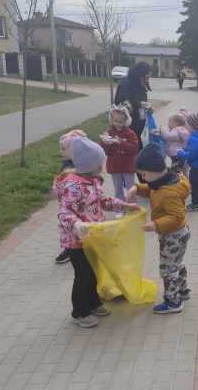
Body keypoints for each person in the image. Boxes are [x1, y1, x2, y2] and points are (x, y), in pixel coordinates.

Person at [58, 136, 139, 328]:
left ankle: (93, 302)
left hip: (93, 237)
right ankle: (79, 312)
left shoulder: (93, 181)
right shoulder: (73, 186)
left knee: (94, 271)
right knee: (83, 275)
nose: (102, 167)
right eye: (99, 163)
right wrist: (77, 224)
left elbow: (104, 201)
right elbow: (64, 212)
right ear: (89, 166)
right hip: (77, 241)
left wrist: (124, 205)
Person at [127, 143, 191, 315]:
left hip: (172, 236)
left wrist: (157, 224)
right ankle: (183, 291)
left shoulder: (168, 192)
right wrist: (137, 188)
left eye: (143, 174)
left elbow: (176, 216)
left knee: (168, 269)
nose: (142, 177)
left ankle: (173, 302)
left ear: (154, 170)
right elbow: (152, 190)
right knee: (177, 264)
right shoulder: (163, 181)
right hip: (178, 233)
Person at [53, 129, 86, 264]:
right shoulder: (66, 164)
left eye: (63, 149)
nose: (61, 151)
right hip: (65, 203)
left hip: (78, 205)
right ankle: (69, 248)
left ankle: (78, 248)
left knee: (76, 225)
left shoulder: (82, 165)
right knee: (66, 226)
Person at [100, 105, 139, 200]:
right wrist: (105, 143)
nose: (117, 124)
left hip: (128, 166)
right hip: (114, 166)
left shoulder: (130, 133)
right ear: (111, 120)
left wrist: (121, 142)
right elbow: (105, 151)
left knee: (130, 187)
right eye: (115, 121)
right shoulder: (109, 133)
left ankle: (132, 204)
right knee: (118, 188)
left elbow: (134, 149)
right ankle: (119, 205)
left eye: (120, 122)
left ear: (126, 121)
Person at [177, 111, 198, 212]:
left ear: (193, 126)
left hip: (196, 166)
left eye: (187, 124)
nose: (185, 126)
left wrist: (181, 153)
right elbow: (196, 150)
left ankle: (195, 203)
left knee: (194, 184)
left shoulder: (194, 139)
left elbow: (191, 155)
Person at [114, 61, 152, 149]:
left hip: (140, 125)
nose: (147, 80)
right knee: (130, 148)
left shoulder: (141, 86)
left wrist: (148, 109)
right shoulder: (125, 84)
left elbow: (143, 103)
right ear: (139, 75)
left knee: (139, 148)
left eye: (149, 78)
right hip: (127, 125)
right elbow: (121, 102)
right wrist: (139, 104)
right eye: (146, 77)